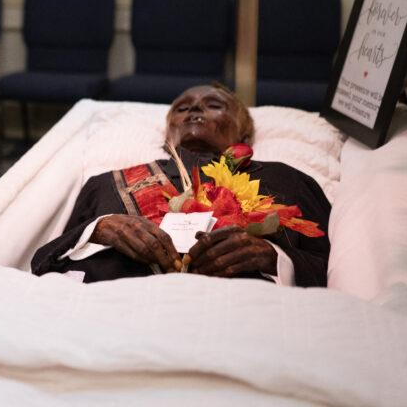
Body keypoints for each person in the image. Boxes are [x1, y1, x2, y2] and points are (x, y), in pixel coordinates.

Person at [32, 84, 331, 287]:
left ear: (245, 133)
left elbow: (328, 272)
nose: (194, 110)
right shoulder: (107, 183)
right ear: (167, 133)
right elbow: (43, 261)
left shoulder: (289, 180)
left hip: (241, 315)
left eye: (213, 105)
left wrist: (272, 257)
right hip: (114, 311)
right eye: (181, 108)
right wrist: (98, 229)